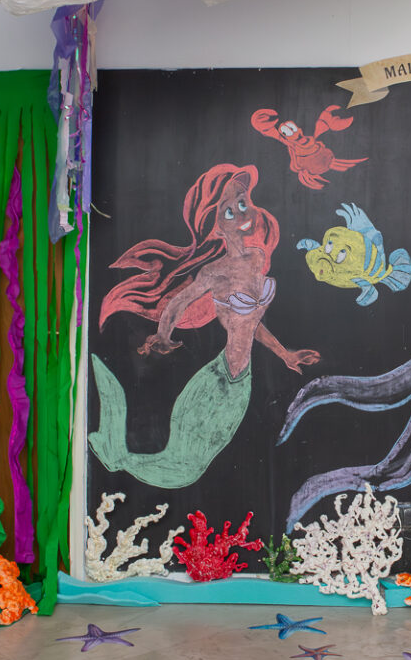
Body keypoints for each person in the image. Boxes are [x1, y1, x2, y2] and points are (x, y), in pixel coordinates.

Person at [90, 163, 317, 488]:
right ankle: (117, 456)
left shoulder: (256, 258)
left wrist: (285, 354)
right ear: (215, 227)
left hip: (240, 381)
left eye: (243, 202)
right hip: (217, 382)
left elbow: (250, 323)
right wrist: (162, 335)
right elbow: (177, 303)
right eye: (229, 211)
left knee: (189, 465)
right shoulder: (214, 272)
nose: (241, 214)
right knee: (186, 467)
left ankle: (117, 455)